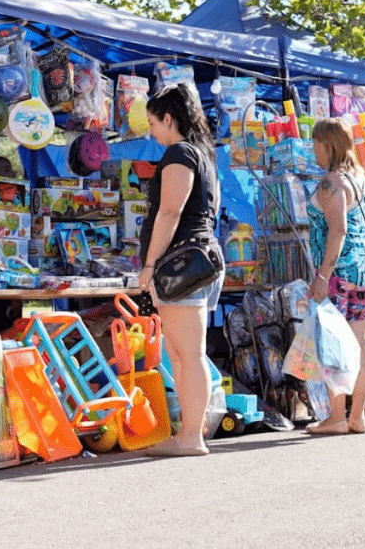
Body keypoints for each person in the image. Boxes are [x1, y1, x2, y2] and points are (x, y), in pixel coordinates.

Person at [138, 83, 224, 456]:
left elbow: (170, 212)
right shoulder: (202, 155)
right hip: (194, 263)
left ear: (168, 119)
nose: (150, 131)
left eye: (153, 123)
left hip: (182, 266)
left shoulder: (179, 154)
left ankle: (191, 436)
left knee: (188, 353)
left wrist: (149, 265)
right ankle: (191, 429)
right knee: (182, 352)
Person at [306, 118, 365, 435]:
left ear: (326, 144)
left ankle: (337, 417)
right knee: (359, 342)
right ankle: (357, 416)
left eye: (315, 143)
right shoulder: (358, 178)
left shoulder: (331, 183)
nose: (313, 149)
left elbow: (338, 230)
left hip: (340, 271)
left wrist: (323, 275)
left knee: (335, 343)